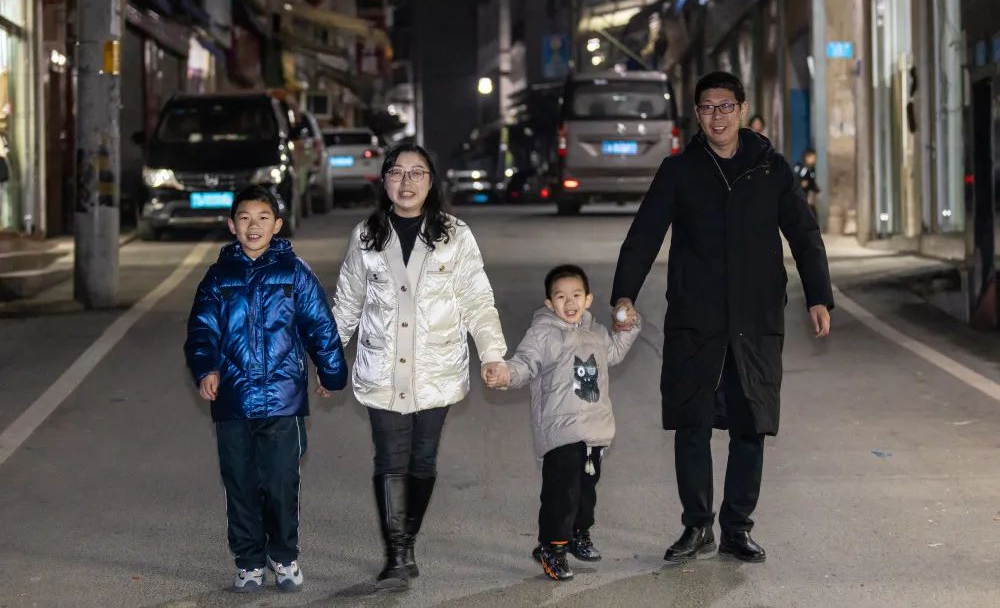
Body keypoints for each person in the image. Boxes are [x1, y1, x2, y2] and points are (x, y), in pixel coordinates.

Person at [610, 71, 833, 565]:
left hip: (756, 318)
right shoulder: (679, 171)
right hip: (696, 316)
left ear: (742, 109)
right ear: (697, 114)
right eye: (708, 107)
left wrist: (819, 295)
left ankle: (737, 528)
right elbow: (645, 234)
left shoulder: (771, 168)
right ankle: (697, 526)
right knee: (691, 423)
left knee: (750, 423)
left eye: (726, 106)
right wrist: (624, 293)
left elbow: (803, 232)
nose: (717, 116)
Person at [327, 143, 508, 589]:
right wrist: (326, 361)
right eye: (397, 172)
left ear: (431, 182)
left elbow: (477, 299)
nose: (406, 182)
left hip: (436, 366)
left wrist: (492, 354)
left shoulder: (455, 235)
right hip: (382, 367)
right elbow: (347, 303)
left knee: (422, 459)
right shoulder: (366, 235)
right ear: (384, 180)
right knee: (390, 456)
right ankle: (396, 554)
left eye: (417, 173)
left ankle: (406, 540)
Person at [184, 185, 347, 593]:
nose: (253, 226)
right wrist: (206, 368)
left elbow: (320, 326)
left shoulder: (295, 273)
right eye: (244, 218)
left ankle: (284, 556)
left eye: (262, 218)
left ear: (277, 225)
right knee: (239, 484)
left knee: (280, 483)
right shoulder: (219, 277)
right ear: (231, 226)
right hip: (233, 400)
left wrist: (331, 374)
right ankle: (249, 562)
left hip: (283, 400)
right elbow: (202, 329)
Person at [488, 264, 640, 581]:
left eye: (576, 295)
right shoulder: (543, 334)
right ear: (549, 303)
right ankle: (553, 547)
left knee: (586, 492)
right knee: (561, 493)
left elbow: (613, 352)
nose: (569, 303)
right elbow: (525, 363)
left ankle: (578, 534)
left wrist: (628, 327)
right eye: (560, 297)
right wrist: (506, 374)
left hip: (593, 431)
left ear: (588, 299)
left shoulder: (597, 332)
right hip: (560, 430)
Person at [794, 148, 821, 216]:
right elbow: (794, 178)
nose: (814, 160)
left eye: (815, 158)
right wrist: (800, 183)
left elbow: (811, 182)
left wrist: (816, 190)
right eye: (812, 157)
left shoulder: (812, 170)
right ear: (807, 157)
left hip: (808, 199)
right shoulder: (799, 167)